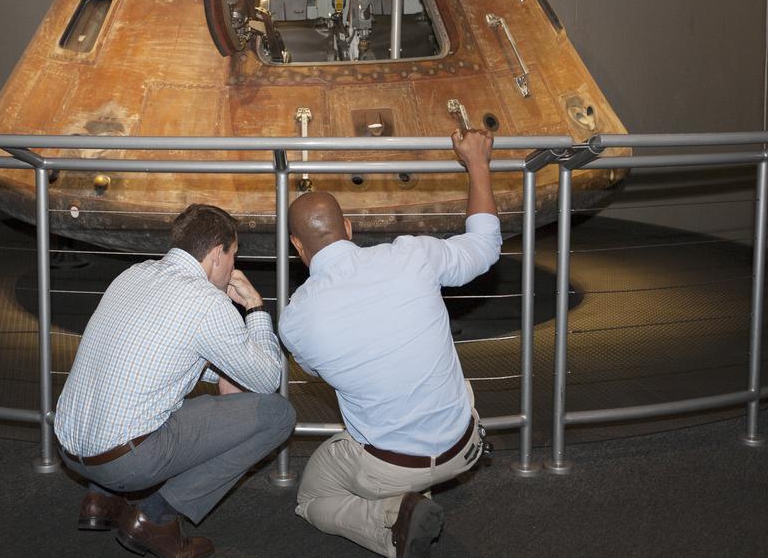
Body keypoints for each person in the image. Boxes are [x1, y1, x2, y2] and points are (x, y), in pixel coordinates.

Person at [279, 128, 502, 558]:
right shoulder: (411, 256)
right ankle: (412, 501)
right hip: (465, 445)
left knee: (312, 499)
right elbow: (485, 245)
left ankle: (390, 521)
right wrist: (476, 162)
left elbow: (320, 372)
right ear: (348, 226)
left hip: (390, 468)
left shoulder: (296, 321)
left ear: (296, 248)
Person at [54, 203, 296, 558]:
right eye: (234, 254)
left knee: (143, 394)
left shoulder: (133, 274)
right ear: (217, 254)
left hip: (70, 451)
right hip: (125, 463)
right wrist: (255, 308)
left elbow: (164, 357)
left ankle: (100, 499)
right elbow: (266, 378)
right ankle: (154, 518)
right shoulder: (207, 304)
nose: (234, 266)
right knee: (279, 415)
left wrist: (228, 370)